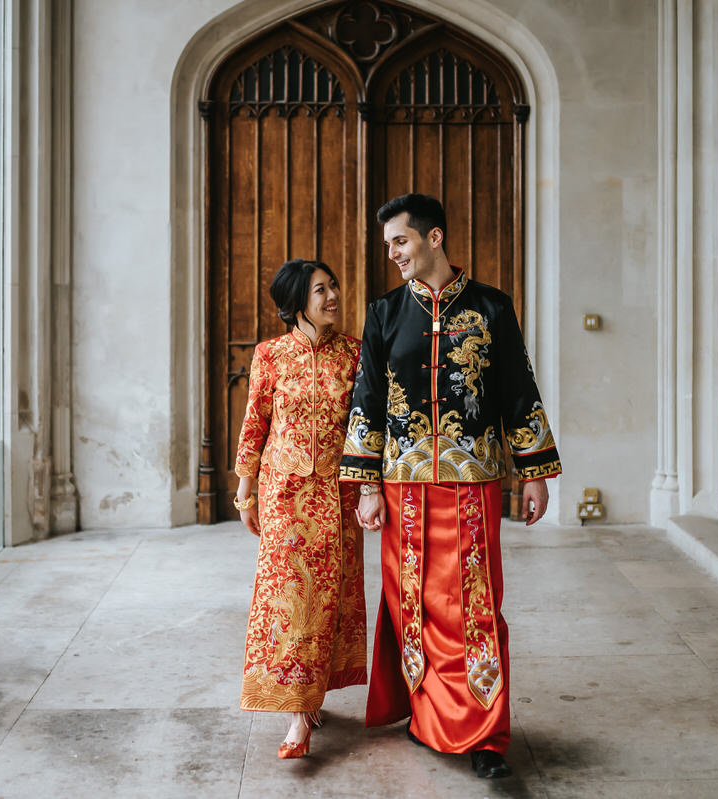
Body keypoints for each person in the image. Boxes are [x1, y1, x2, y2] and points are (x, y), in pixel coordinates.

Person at [339, 194, 561, 779]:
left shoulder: (491, 307)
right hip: (402, 487)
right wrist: (364, 485)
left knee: (474, 605)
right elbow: (369, 399)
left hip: (473, 483)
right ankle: (428, 718)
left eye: (401, 242)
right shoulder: (385, 313)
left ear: (434, 238)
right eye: (388, 245)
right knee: (414, 603)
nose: (393, 254)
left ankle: (486, 734)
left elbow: (518, 386)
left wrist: (536, 472)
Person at [234, 259, 368, 759]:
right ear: (296, 304)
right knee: (290, 600)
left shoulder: (355, 354)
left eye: (333, 285)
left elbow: (363, 431)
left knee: (329, 598)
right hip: (283, 495)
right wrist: (244, 493)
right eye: (320, 290)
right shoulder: (270, 356)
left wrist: (369, 489)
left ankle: (311, 698)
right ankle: (296, 717)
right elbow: (255, 425)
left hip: (337, 496)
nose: (333, 295)